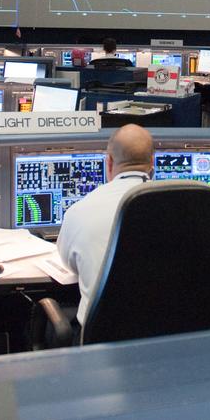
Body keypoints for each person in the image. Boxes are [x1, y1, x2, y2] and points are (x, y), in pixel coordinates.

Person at [57, 124, 155, 325]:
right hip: (183, 344)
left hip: (104, 344)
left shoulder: (79, 211)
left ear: (109, 163)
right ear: (152, 163)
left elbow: (70, 265)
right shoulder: (189, 208)